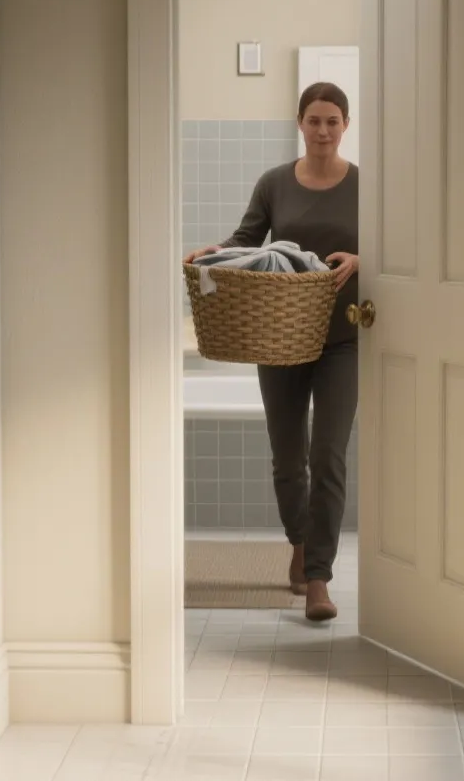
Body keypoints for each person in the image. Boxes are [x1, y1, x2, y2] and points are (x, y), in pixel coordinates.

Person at [185, 83, 358, 622]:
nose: (323, 131)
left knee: (327, 455)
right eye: (314, 120)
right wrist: (212, 255)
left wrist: (363, 256)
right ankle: (299, 542)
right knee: (288, 460)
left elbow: (399, 249)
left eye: (332, 121)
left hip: (342, 342)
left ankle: (318, 579)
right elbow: (247, 241)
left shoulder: (367, 186)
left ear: (345, 125)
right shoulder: (274, 183)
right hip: (278, 339)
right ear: (300, 123)